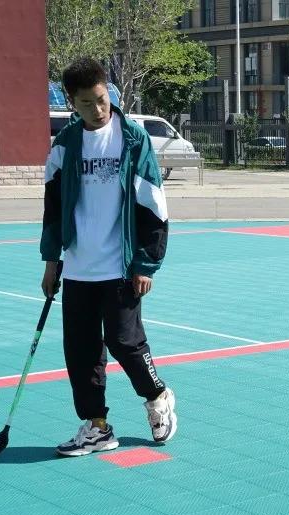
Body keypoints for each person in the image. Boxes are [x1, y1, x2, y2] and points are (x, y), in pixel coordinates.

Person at [40, 57, 176, 457]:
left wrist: (146, 263)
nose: (97, 109)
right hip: (79, 267)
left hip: (121, 266)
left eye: (102, 99)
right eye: (87, 103)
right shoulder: (65, 144)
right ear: (72, 101)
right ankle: (97, 427)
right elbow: (53, 208)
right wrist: (52, 262)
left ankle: (158, 396)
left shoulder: (132, 139)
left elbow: (154, 205)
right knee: (80, 351)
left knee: (124, 342)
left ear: (108, 92)